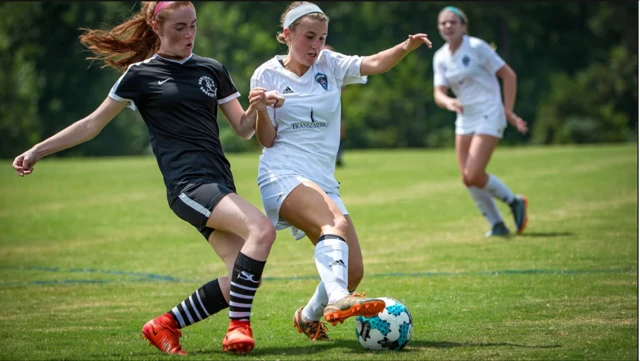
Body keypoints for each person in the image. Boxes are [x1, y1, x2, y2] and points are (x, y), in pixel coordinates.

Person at [11, 1, 285, 355]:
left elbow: (245, 130)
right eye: (180, 28)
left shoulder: (212, 69)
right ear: (157, 28)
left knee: (243, 276)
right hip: (188, 186)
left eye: (193, 26)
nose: (189, 35)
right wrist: (37, 150)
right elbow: (91, 125)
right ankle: (238, 327)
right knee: (261, 231)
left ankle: (165, 325)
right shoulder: (139, 75)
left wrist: (258, 107)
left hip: (219, 182)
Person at [250, 1, 432, 341]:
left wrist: (407, 46)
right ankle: (337, 300)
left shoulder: (330, 65)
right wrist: (260, 109)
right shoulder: (266, 74)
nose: (316, 46)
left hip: (322, 181)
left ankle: (307, 316)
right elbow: (267, 139)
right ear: (287, 35)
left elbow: (375, 63)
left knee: (354, 271)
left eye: (322, 38)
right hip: (281, 173)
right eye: (309, 37)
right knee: (335, 223)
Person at [432, 6, 529, 238]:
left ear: (463, 25)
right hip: (465, 116)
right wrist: (449, 102)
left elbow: (509, 75)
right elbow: (438, 93)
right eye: (443, 23)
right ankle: (497, 224)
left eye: (453, 22)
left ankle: (514, 202)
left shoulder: (477, 47)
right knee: (467, 178)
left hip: (489, 111)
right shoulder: (440, 56)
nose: (448, 26)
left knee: (474, 174)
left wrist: (507, 110)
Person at [322, 44, 346, 168]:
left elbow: (343, 88)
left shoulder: (335, 70)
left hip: (335, 105)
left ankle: (339, 155)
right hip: (320, 107)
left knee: (340, 130)